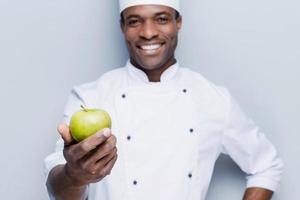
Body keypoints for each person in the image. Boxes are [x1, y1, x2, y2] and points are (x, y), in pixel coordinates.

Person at [44, 0, 284, 199]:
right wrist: (74, 176)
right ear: (122, 26)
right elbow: (57, 189)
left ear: (178, 22)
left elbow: (266, 165)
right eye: (135, 21)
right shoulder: (90, 96)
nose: (148, 33)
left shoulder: (213, 98)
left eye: (161, 18)